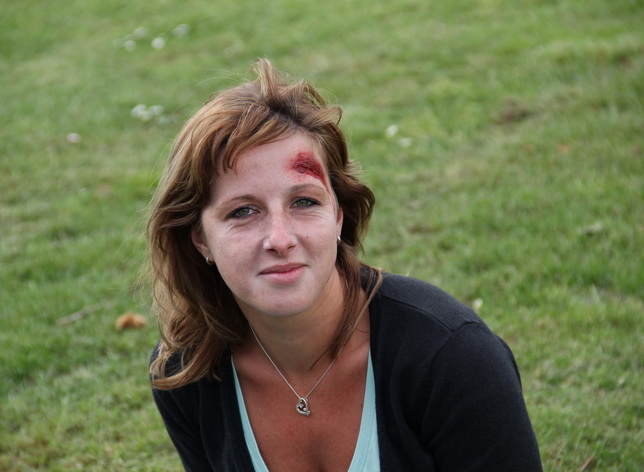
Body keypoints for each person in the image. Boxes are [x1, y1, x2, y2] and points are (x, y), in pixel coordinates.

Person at [147, 58, 543, 471]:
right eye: (242, 211)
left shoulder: (453, 359)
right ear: (199, 238)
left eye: (304, 201)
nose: (280, 239)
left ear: (338, 215)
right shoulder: (185, 372)